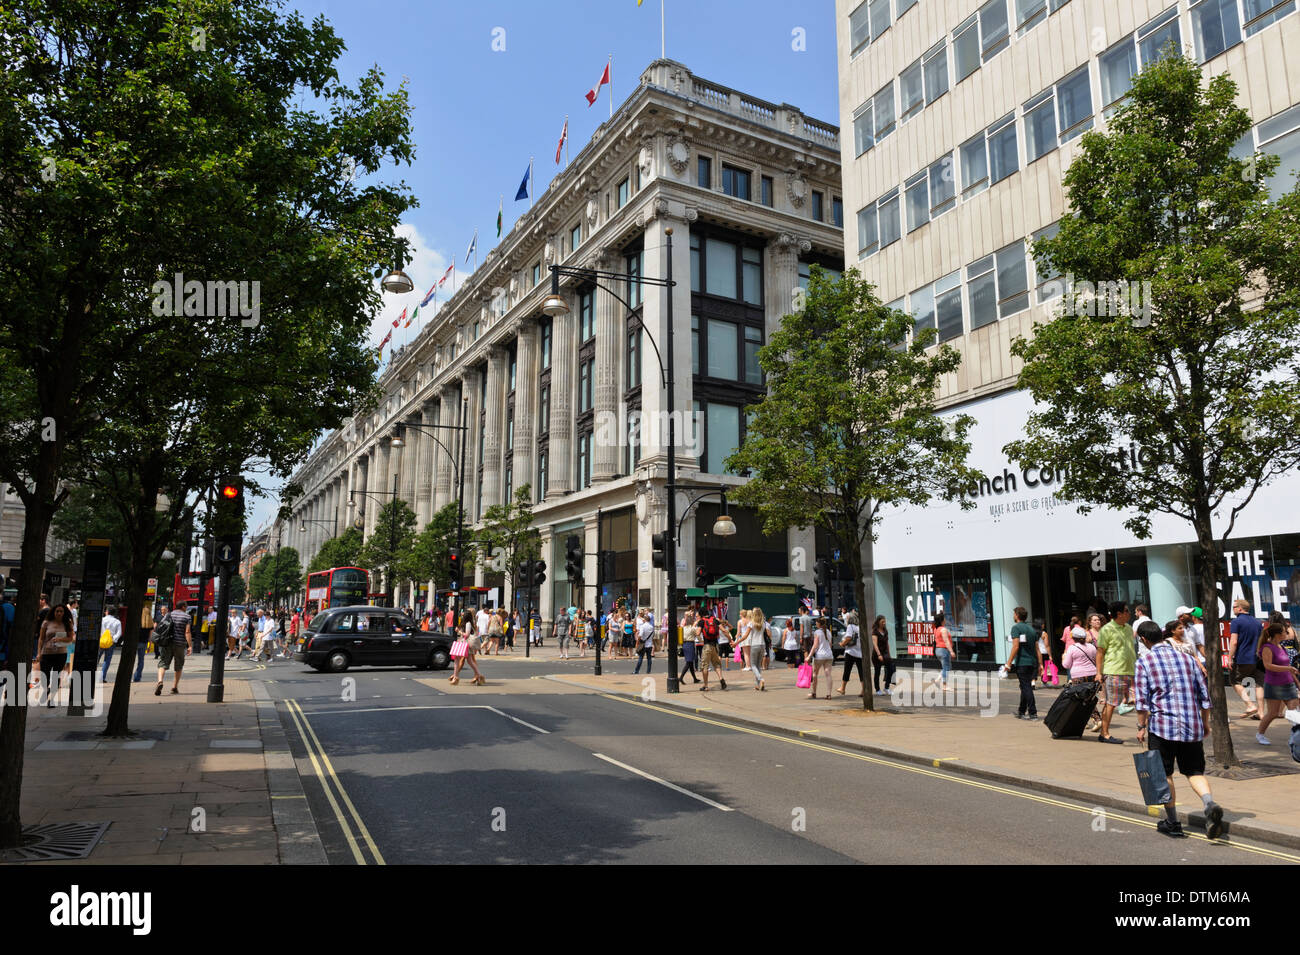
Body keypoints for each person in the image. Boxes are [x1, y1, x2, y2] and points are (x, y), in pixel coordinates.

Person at [1135, 619, 1226, 839]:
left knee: (1164, 774)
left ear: (1144, 639)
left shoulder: (1144, 662)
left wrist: (1140, 727)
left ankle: (1173, 823)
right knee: (1194, 771)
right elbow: (1204, 697)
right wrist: (1205, 723)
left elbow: (1141, 701)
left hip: (1162, 727)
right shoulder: (1188, 659)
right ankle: (1209, 804)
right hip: (1191, 725)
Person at [1094, 601, 1135, 743]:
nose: (1129, 613)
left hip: (1130, 671)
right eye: (1127, 611)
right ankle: (1104, 733)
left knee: (1134, 701)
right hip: (1114, 671)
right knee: (1111, 703)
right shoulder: (1107, 629)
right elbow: (1100, 652)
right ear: (1119, 614)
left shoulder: (1129, 628)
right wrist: (1099, 673)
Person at [1256, 622, 1300, 744]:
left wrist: (1297, 683)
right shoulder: (1267, 647)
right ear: (1277, 634)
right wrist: (1288, 669)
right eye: (1285, 632)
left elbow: (1288, 666)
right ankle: (1260, 734)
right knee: (1273, 713)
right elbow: (1268, 666)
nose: (1287, 634)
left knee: (1294, 712)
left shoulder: (1282, 647)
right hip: (1274, 685)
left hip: (1289, 683)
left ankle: (1295, 737)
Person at [1227, 599, 1263, 719]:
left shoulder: (1236, 622)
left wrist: (1229, 657)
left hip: (1242, 657)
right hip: (1256, 658)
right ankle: (1261, 712)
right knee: (1256, 684)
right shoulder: (1257, 623)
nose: (1233, 609)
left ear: (1240, 608)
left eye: (1234, 607)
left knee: (1234, 681)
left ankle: (1250, 705)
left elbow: (1234, 642)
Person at [1063, 624, 1102, 731]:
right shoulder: (1091, 647)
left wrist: (1063, 657)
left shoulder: (1072, 648)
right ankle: (1088, 721)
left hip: (1078, 677)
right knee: (1089, 698)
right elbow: (1096, 660)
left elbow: (1066, 665)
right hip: (1092, 675)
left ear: (1073, 637)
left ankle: (1096, 720)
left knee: (1080, 699)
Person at [36, 604, 75, 706]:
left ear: (64, 613)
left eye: (61, 611)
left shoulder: (67, 623)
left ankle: (52, 699)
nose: (59, 613)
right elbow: (41, 639)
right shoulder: (46, 623)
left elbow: (71, 638)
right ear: (53, 612)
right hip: (46, 653)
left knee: (56, 676)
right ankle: (46, 690)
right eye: (57, 611)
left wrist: (60, 639)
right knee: (45, 677)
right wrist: (39, 653)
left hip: (60, 653)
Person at [1007, 607, 1041, 719]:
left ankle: (1033, 712)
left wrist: (1008, 663)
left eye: (1014, 614)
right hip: (1032, 662)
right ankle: (1021, 711)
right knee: (1025, 686)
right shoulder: (1031, 629)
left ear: (1017, 615)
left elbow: (1015, 646)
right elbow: (1037, 649)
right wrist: (1040, 664)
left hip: (1022, 662)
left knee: (1026, 687)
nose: (1013, 616)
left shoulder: (1016, 628)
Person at [156, 601, 192, 695]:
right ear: (183, 607)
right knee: (178, 665)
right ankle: (174, 687)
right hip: (180, 644)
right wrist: (190, 646)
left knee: (163, 663)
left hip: (167, 642)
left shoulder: (169, 614)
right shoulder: (187, 617)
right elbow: (187, 632)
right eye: (186, 606)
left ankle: (160, 681)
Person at [450, 611, 485, 685]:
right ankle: (478, 676)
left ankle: (456, 677)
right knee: (466, 661)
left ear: (465, 617)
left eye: (463, 616)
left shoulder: (468, 624)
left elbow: (467, 635)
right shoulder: (466, 623)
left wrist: (459, 631)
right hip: (463, 643)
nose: (462, 617)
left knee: (467, 661)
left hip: (466, 644)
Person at [698, 606, 727, 691]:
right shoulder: (715, 620)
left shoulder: (702, 621)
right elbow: (724, 630)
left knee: (704, 666)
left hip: (707, 646)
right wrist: (730, 640)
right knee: (717, 664)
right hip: (715, 646)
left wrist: (700, 640)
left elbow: (697, 632)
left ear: (701, 614)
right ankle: (721, 678)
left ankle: (706, 685)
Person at [838, 610, 863, 696]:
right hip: (859, 652)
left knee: (847, 670)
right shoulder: (859, 627)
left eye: (848, 617)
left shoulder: (850, 626)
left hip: (851, 651)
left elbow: (848, 638)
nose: (847, 618)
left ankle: (843, 688)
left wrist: (842, 644)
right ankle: (864, 689)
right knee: (861, 671)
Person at [808, 617, 834, 700]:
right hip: (829, 655)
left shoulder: (817, 632)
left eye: (816, 623)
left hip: (819, 656)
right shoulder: (829, 632)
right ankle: (829, 694)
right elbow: (830, 644)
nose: (815, 624)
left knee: (815, 674)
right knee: (828, 674)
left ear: (819, 624)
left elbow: (815, 646)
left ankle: (814, 693)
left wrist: (809, 656)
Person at [98, 604, 123, 684]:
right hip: (111, 643)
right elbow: (119, 633)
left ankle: (92, 675)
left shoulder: (101, 620)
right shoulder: (117, 622)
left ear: (107, 612)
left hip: (101, 642)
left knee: (96, 659)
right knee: (107, 660)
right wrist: (113, 639)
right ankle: (102, 677)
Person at [871, 615, 895, 694]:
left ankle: (886, 687)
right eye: (882, 622)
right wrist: (879, 655)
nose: (884, 623)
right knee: (877, 672)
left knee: (891, 669)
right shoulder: (875, 631)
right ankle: (877, 689)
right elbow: (875, 644)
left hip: (885, 653)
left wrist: (889, 654)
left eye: (885, 622)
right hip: (877, 654)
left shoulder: (885, 631)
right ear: (878, 622)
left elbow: (887, 643)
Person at [932, 611, 954, 691]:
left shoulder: (936, 629)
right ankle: (945, 685)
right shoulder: (943, 629)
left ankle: (937, 680)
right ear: (942, 620)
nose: (945, 620)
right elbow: (946, 641)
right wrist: (951, 651)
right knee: (946, 668)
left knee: (946, 667)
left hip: (938, 650)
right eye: (944, 618)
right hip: (944, 650)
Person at [747, 607, 769, 690]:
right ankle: (758, 684)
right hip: (762, 645)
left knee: (753, 665)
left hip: (754, 645)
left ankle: (760, 679)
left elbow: (746, 635)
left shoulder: (751, 623)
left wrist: (737, 642)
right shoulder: (763, 623)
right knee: (758, 666)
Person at [1034, 618, 1058, 687]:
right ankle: (1044, 682)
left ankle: (1033, 681)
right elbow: (1047, 646)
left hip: (1036, 652)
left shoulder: (1032, 633)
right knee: (1044, 668)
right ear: (1040, 625)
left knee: (1036, 667)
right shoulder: (1044, 634)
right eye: (1043, 624)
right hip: (1043, 653)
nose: (1044, 625)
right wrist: (1050, 655)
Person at [680, 611, 700, 684]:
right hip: (690, 644)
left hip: (684, 645)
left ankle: (695, 679)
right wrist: (702, 641)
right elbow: (698, 634)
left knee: (691, 663)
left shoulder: (683, 628)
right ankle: (681, 677)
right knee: (689, 663)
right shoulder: (692, 628)